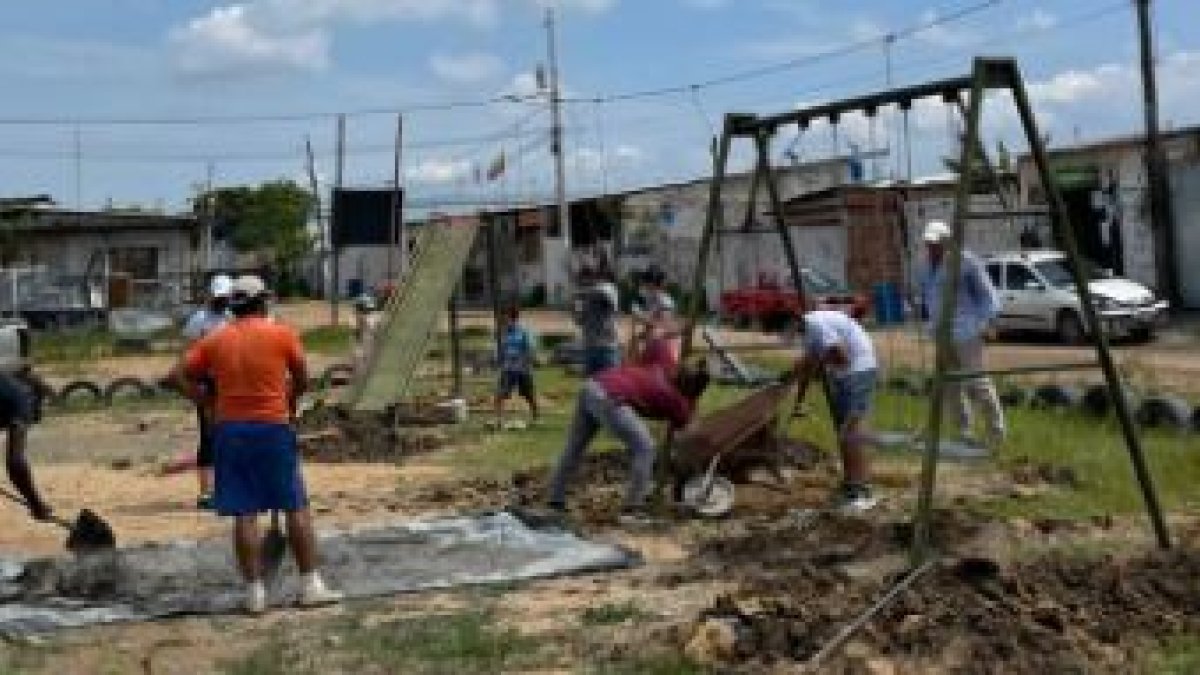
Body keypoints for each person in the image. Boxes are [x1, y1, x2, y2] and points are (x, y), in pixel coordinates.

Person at [175, 275, 342, 614]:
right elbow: (302, 379)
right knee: (295, 506)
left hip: (231, 432)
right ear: (262, 302)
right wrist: (289, 402)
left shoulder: (215, 340)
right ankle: (310, 586)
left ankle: (254, 594)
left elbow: (178, 374)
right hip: (273, 428)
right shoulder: (281, 334)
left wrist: (206, 401)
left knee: (245, 513)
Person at [547, 355, 709, 525]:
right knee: (645, 448)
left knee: (574, 448)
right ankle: (631, 510)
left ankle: (555, 502)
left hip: (593, 385)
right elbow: (689, 433)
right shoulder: (674, 399)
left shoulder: (660, 370)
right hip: (612, 398)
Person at [918, 220, 1006, 447]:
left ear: (947, 242)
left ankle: (996, 433)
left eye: (935, 243)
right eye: (929, 243)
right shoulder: (926, 266)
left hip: (967, 331)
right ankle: (963, 432)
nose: (931, 247)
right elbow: (928, 297)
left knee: (977, 382)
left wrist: (988, 323)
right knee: (951, 386)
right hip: (941, 334)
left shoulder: (966, 261)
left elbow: (987, 294)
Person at [789, 308, 880, 513]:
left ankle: (862, 491)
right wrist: (799, 402)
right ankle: (850, 484)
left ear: (793, 321)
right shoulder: (808, 331)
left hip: (859, 369)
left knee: (851, 430)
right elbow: (808, 369)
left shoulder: (817, 326)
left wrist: (814, 363)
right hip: (843, 373)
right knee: (843, 432)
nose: (786, 335)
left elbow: (842, 357)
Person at [181, 274, 233, 510]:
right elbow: (188, 353)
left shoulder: (233, 318)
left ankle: (228, 487)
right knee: (208, 436)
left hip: (230, 383)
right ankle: (206, 492)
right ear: (211, 295)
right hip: (207, 383)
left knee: (230, 435)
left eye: (225, 297)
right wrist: (194, 383)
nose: (221, 301)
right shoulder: (199, 320)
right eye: (218, 297)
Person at [1, 367, 54, 521]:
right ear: (36, 396)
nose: (41, 410)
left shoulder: (8, 387)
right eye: (42, 403)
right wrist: (36, 504)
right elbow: (15, 462)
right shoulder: (23, 399)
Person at [572, 263, 622, 376]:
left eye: (586, 279)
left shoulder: (608, 288)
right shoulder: (584, 298)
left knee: (611, 382)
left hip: (607, 347)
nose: (584, 283)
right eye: (581, 281)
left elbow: (605, 294)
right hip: (590, 347)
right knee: (592, 384)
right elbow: (579, 321)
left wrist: (580, 294)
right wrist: (575, 308)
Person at [494, 304, 539, 427]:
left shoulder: (523, 332)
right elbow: (500, 350)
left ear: (512, 318)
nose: (503, 320)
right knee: (500, 394)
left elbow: (530, 349)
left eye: (505, 317)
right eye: (502, 317)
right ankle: (499, 420)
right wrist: (499, 360)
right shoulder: (503, 333)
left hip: (522, 369)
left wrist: (524, 360)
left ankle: (535, 417)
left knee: (529, 395)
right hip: (508, 369)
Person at [630, 266, 680, 364]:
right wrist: (640, 337)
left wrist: (643, 318)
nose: (643, 285)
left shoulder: (664, 301)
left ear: (653, 283)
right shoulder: (651, 300)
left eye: (646, 282)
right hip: (653, 347)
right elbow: (652, 328)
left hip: (664, 350)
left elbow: (667, 327)